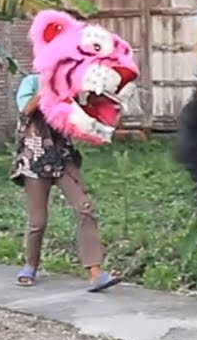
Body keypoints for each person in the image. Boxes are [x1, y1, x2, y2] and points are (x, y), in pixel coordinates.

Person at [9, 72, 120, 292]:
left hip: (63, 157)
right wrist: (49, 87)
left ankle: (95, 273)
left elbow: (79, 119)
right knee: (37, 221)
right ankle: (30, 265)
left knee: (84, 207)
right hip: (35, 158)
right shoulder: (31, 82)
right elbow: (26, 111)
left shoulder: (69, 84)